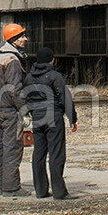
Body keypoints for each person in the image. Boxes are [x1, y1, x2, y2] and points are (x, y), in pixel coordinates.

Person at [22, 46, 78, 200]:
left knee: (38, 154)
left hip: (38, 118)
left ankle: (40, 190)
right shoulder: (55, 76)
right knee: (57, 153)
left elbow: (26, 99)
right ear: (52, 60)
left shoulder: (28, 78)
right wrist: (72, 118)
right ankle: (59, 192)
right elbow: (64, 98)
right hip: (53, 116)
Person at [0, 23, 28, 196]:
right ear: (13, 39)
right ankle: (11, 188)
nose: (25, 39)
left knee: (1, 149)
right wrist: (24, 110)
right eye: (21, 36)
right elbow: (15, 89)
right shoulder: (12, 60)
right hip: (11, 111)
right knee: (12, 148)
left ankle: (2, 185)